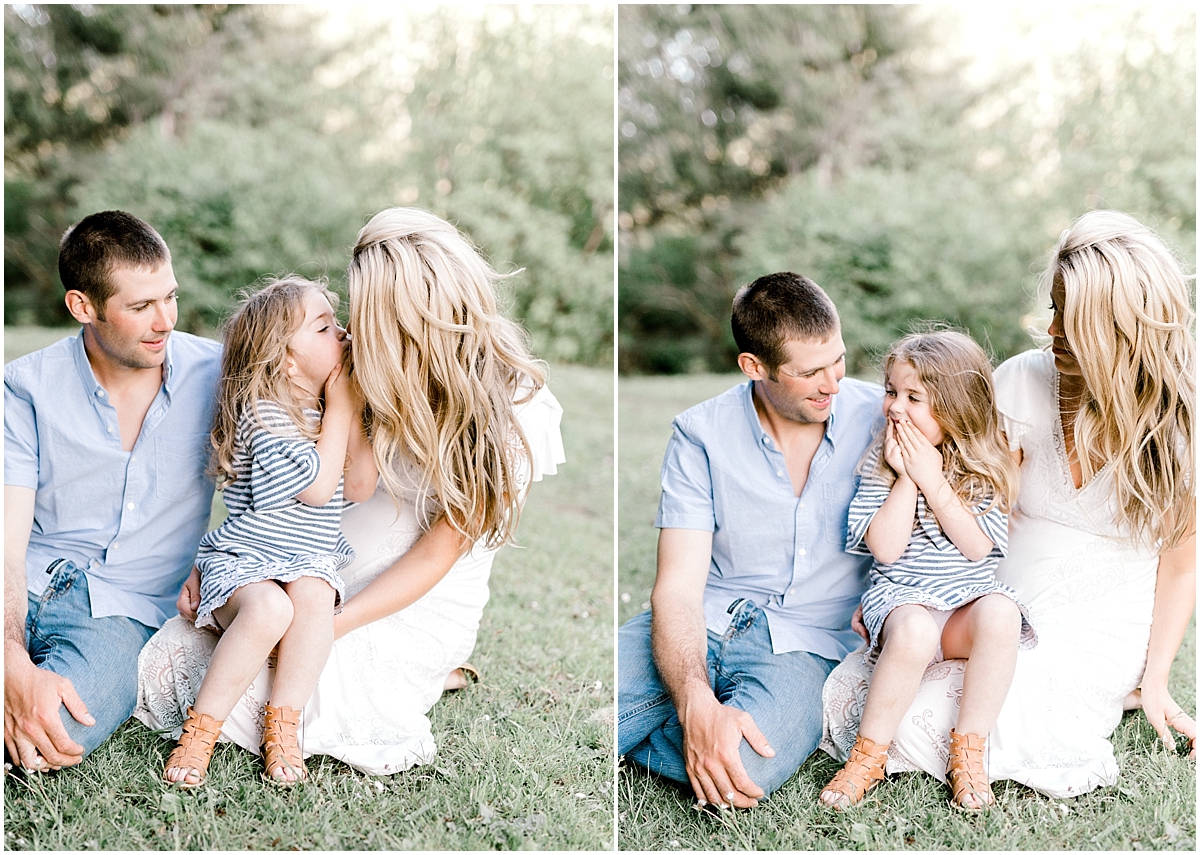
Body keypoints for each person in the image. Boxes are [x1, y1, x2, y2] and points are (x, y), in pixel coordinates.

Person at [136, 207, 565, 775]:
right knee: (199, 651)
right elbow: (321, 482)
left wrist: (321, 628)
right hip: (318, 551)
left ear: (412, 319)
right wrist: (229, 561)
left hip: (413, 581)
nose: (352, 331)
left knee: (303, 684)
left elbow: (440, 551)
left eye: (366, 315)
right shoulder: (361, 364)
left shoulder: (514, 410)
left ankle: (431, 667)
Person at [822, 210, 1196, 799]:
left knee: (1000, 722)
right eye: (1053, 312)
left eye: (1072, 325)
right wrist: (894, 595)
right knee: (906, 688)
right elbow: (974, 492)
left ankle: (1085, 698)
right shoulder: (1023, 380)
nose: (1052, 335)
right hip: (1001, 582)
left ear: (1119, 333)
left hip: (1103, 604)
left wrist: (1155, 678)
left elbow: (1179, 561)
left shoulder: (1175, 420)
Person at [617, 272, 883, 809]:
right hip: (704, 616)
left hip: (808, 643)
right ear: (754, 367)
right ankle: (690, 714)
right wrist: (694, 698)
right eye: (809, 372)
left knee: (749, 766)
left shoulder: (883, 416)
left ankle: (670, 734)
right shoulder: (700, 433)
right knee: (584, 714)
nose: (832, 382)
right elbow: (676, 589)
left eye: (839, 360)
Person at [4, 211, 221, 773]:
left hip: (119, 614)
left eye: (169, 297)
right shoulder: (25, 386)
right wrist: (9, 659)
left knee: (55, 732)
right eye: (141, 306)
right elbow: (8, 539)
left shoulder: (220, 376)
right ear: (83, 307)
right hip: (25, 579)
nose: (165, 321)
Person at [162, 277, 378, 788]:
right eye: (325, 328)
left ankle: (283, 724)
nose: (343, 334)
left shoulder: (328, 414)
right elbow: (318, 489)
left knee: (315, 596)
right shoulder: (264, 413)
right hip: (248, 561)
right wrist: (343, 408)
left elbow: (362, 485)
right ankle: (201, 731)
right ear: (286, 360)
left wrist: (353, 407)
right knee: (272, 608)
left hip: (306, 562)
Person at [818, 331, 1034, 812]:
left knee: (1001, 613)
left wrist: (935, 478)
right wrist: (908, 479)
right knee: (914, 630)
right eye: (892, 391)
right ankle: (867, 758)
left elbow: (978, 548)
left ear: (957, 407)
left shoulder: (985, 463)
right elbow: (887, 550)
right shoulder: (882, 458)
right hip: (904, 602)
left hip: (963, 608)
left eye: (914, 397)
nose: (895, 406)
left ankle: (969, 753)